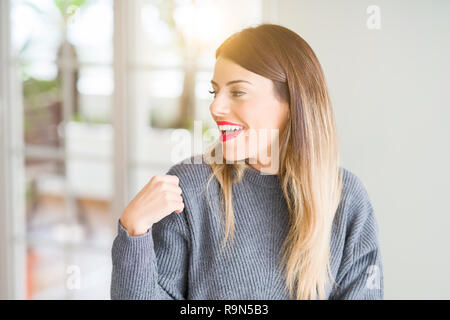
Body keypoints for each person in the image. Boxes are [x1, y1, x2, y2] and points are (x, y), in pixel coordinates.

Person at [111, 23, 384, 300]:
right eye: (214, 92)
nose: (215, 107)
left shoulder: (346, 198)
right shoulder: (189, 189)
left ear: (292, 101)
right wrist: (134, 231)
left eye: (238, 91)